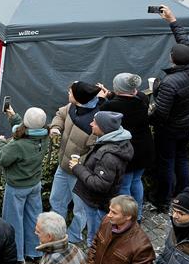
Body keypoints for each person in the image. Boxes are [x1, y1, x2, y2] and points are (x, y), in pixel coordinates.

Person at [148, 6, 189, 212]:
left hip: (170, 130)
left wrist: (148, 118)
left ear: (172, 59)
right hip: (188, 125)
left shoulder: (170, 83)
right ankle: (185, 191)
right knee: (182, 158)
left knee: (166, 162)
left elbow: (161, 113)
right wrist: (172, 20)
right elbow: (185, 42)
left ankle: (163, 200)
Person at [70, 110, 134, 243]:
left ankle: (93, 253)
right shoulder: (115, 142)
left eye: (95, 123)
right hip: (100, 202)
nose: (91, 124)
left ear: (104, 128)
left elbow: (100, 184)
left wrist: (77, 168)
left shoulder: (108, 156)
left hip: (96, 203)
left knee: (95, 237)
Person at [49, 81, 100, 244]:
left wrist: (79, 164)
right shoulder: (72, 107)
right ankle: (56, 232)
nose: (68, 94)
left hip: (78, 172)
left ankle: (74, 236)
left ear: (79, 97)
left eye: (71, 92)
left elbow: (95, 151)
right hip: (63, 166)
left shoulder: (95, 122)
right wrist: (56, 127)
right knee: (56, 200)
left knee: (80, 209)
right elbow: (60, 114)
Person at [0, 106, 48, 264]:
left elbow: (2, 158)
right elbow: (27, 128)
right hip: (34, 184)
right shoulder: (44, 136)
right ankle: (35, 252)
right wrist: (13, 117)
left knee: (14, 222)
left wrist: (0, 143)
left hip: (17, 187)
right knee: (33, 218)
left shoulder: (18, 145)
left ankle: (17, 257)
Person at [98, 72, 152, 214]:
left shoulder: (110, 106)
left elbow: (102, 116)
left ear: (117, 88)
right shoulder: (142, 98)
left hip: (126, 151)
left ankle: (128, 216)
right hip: (144, 147)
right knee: (137, 181)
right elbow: (124, 100)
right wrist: (110, 94)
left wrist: (102, 99)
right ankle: (138, 214)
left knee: (124, 185)